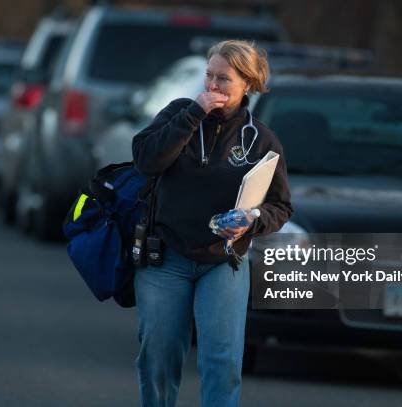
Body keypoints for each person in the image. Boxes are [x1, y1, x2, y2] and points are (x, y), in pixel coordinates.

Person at [131, 39, 293, 407]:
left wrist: (252, 219)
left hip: (224, 261)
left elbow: (281, 206)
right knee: (158, 357)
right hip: (166, 257)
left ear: (247, 84)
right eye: (209, 76)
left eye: (224, 79)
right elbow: (146, 160)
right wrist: (192, 116)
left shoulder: (262, 139)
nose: (213, 86)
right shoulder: (179, 113)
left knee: (222, 361)